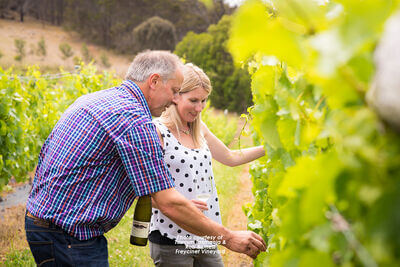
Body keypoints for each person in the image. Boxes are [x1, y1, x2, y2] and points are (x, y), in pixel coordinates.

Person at [25, 50, 266, 266]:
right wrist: (230, 237)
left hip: (48, 224)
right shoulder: (135, 121)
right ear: (154, 81)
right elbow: (166, 201)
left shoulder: (97, 100)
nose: (174, 99)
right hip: (68, 235)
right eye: (174, 91)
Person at [149, 63, 266, 266]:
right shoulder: (156, 132)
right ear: (175, 95)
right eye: (193, 100)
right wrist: (181, 204)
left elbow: (230, 157)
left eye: (203, 100)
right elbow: (141, 191)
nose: (199, 107)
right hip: (171, 237)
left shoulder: (198, 128)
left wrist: (270, 148)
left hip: (206, 233)